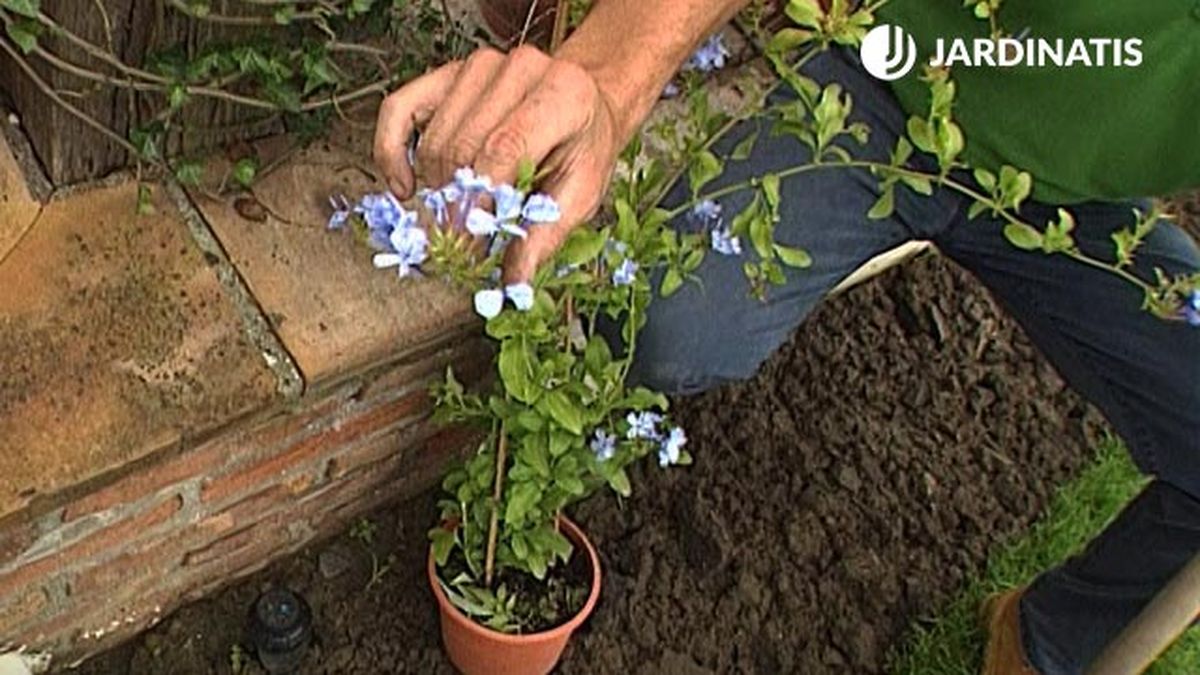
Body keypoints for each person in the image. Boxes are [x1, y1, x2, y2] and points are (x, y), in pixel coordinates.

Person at [372, 1, 1200, 672]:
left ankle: (1044, 637)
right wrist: (602, 79)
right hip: (893, 95)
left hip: (1074, 209)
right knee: (665, 325)